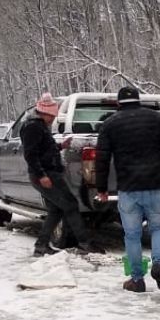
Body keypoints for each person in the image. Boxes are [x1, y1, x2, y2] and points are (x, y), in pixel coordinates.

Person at [96, 86, 160, 292]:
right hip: (155, 185)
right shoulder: (156, 119)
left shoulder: (110, 124)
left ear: (119, 103)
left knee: (132, 235)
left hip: (128, 188)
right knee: (159, 228)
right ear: (139, 100)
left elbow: (102, 158)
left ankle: (137, 280)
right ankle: (159, 264)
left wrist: (101, 188)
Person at [21, 93, 105, 257]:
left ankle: (41, 245)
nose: (53, 119)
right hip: (46, 175)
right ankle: (84, 242)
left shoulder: (38, 126)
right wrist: (42, 175)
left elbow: (44, 149)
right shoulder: (33, 127)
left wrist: (60, 145)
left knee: (56, 209)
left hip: (50, 172)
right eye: (52, 116)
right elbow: (31, 154)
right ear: (44, 113)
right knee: (70, 204)